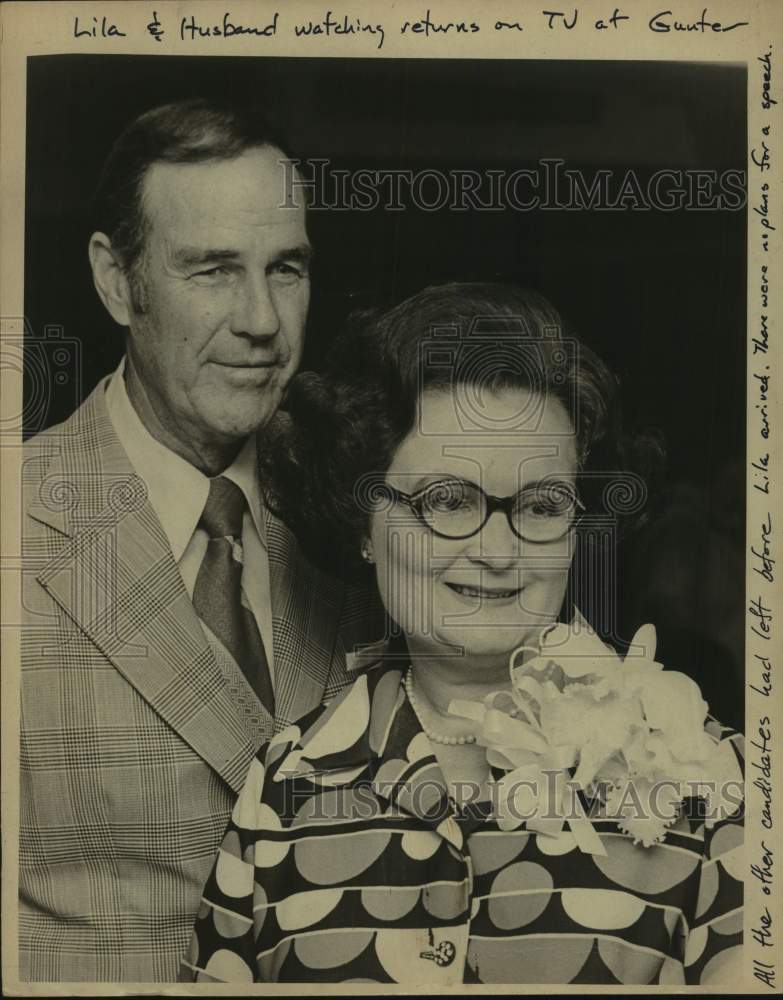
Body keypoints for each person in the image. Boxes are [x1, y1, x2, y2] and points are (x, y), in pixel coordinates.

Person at [183, 283, 744, 985]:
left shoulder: (712, 780)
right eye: (447, 501)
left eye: (541, 506)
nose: (497, 550)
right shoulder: (283, 790)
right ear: (363, 523)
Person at [20, 98, 381, 982]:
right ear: (116, 280)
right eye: (213, 270)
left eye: (285, 269)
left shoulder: (365, 515)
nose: (261, 320)